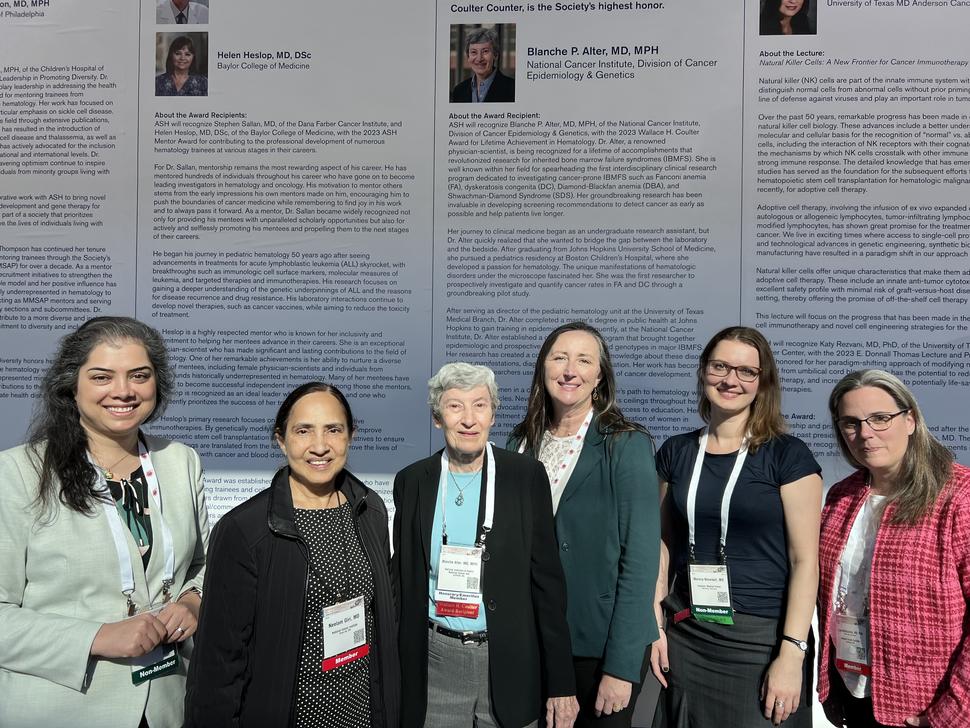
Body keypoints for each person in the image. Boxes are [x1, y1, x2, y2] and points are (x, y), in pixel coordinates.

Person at [0, 316, 209, 727]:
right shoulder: (18, 472)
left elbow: (203, 565)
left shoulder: (180, 461)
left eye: (139, 375)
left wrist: (193, 602)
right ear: (71, 386)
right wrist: (96, 637)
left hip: (167, 707)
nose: (123, 391)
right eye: (102, 377)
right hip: (63, 709)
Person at [185, 382, 400, 727]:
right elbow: (219, 664)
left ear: (351, 436)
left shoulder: (369, 510)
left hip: (362, 715)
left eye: (333, 430)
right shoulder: (245, 531)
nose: (320, 446)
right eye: (303, 431)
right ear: (281, 440)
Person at [651, 326, 822, 728]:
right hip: (687, 633)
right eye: (720, 367)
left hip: (761, 641)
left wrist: (791, 652)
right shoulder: (676, 451)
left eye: (747, 371)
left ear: (763, 382)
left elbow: (805, 562)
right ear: (703, 371)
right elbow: (661, 545)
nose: (731, 380)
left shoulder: (788, 456)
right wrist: (654, 623)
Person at [393, 362, 578, 728]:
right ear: (437, 418)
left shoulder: (525, 477)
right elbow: (402, 580)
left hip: (508, 660)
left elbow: (547, 584)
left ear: (493, 414)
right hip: (435, 664)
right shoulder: (412, 481)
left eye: (479, 405)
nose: (468, 419)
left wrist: (561, 682)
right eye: (455, 406)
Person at [507, 321, 660, 726]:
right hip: (535, 638)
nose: (569, 370)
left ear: (600, 376)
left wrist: (621, 666)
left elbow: (641, 561)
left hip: (600, 643)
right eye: (559, 358)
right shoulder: (520, 443)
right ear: (543, 368)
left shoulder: (625, 444)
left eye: (584, 360)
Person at [818, 370, 970, 727]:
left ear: (910, 420)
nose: (865, 433)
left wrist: (951, 713)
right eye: (851, 423)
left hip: (925, 708)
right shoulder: (841, 496)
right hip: (854, 694)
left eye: (880, 418)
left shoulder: (959, 495)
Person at [450, 27, 515, 103]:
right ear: (468, 57)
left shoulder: (513, 89)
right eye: (474, 52)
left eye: (485, 51)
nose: (479, 58)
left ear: (495, 55)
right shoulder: (459, 91)